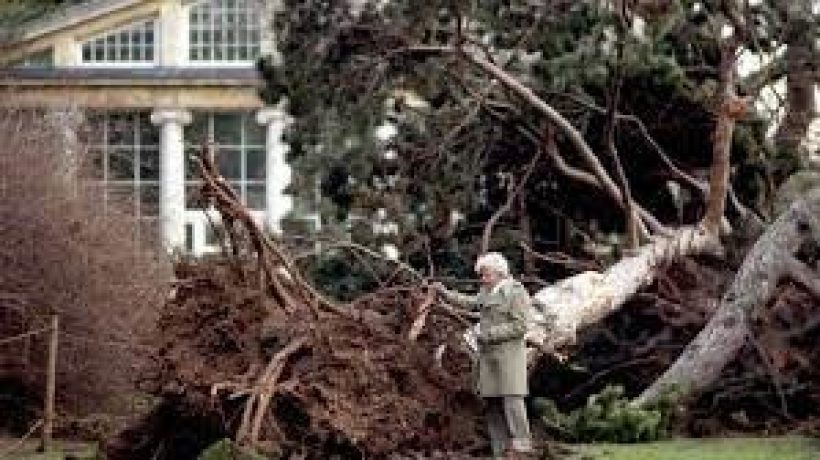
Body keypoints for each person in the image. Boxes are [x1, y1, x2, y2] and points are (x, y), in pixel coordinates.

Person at [432, 252, 532, 459]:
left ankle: (523, 447)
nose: (482, 279)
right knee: (492, 402)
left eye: (486, 274)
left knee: (513, 401)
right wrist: (444, 293)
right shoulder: (488, 290)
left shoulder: (516, 292)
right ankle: (500, 449)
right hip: (488, 357)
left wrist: (488, 334)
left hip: (508, 357)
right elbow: (470, 302)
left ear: (499, 273)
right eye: (482, 275)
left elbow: (521, 326)